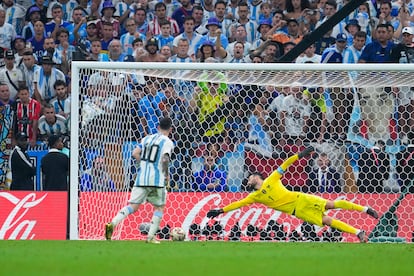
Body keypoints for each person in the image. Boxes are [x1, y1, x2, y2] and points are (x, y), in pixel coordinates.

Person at [207, 146, 379, 243]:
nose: (248, 180)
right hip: (298, 212)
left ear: (257, 177)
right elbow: (238, 204)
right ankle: (358, 232)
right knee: (327, 221)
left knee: (331, 204)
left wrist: (300, 155)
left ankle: (365, 208)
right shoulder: (255, 196)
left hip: (301, 198)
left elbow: (286, 163)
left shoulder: (272, 179)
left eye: (250, 177)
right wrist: (220, 210)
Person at [105, 117, 174, 243]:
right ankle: (150, 237)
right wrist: (166, 175)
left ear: (158, 127)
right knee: (159, 208)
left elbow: (135, 153)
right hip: (156, 180)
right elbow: (165, 159)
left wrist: (143, 165)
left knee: (133, 206)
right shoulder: (167, 142)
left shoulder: (146, 138)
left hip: (141, 178)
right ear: (171, 129)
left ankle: (113, 223)